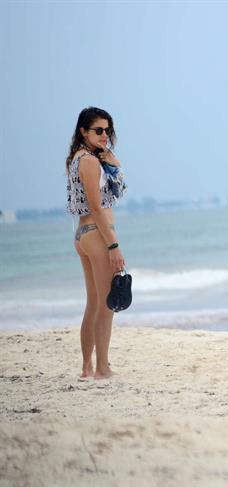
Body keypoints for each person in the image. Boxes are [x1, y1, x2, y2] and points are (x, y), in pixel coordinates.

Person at [66, 107, 127, 379]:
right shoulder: (89, 162)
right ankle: (102, 368)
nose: (104, 135)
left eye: (107, 130)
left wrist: (114, 164)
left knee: (93, 304)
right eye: (98, 130)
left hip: (83, 235)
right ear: (83, 131)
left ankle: (87, 368)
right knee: (106, 305)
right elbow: (96, 205)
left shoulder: (80, 158)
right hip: (96, 234)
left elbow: (112, 194)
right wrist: (113, 245)